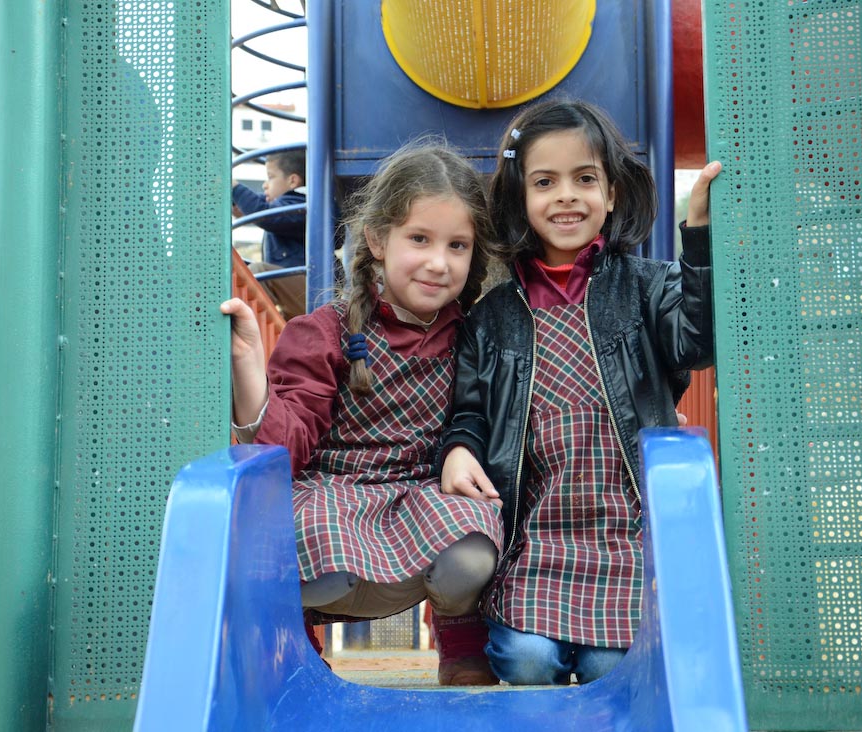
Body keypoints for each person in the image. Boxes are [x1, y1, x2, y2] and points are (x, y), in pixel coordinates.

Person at [439, 98, 721, 686]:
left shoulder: (647, 287)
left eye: (585, 179)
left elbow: (696, 342)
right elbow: (468, 411)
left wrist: (697, 237)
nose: (566, 195)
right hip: (538, 537)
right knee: (528, 659)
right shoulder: (493, 317)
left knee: (608, 669)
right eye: (545, 182)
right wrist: (459, 447)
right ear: (521, 198)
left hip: (625, 535)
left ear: (612, 193)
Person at [221, 141, 505, 685]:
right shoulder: (327, 331)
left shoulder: (473, 336)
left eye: (458, 245)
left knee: (473, 540)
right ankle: (296, 648)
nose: (438, 262)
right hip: (337, 494)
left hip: (419, 496)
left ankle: (459, 631)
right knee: (313, 539)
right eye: (419, 239)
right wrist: (250, 375)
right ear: (377, 239)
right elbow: (288, 442)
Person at [232, 148, 309, 318]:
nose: (265, 184)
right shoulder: (287, 208)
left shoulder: (302, 206)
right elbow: (261, 207)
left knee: (259, 272)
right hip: (297, 290)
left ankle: (245, 322)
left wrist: (235, 188)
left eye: (271, 177)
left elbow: (267, 215)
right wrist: (240, 205)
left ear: (293, 181)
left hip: (312, 289)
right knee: (246, 271)